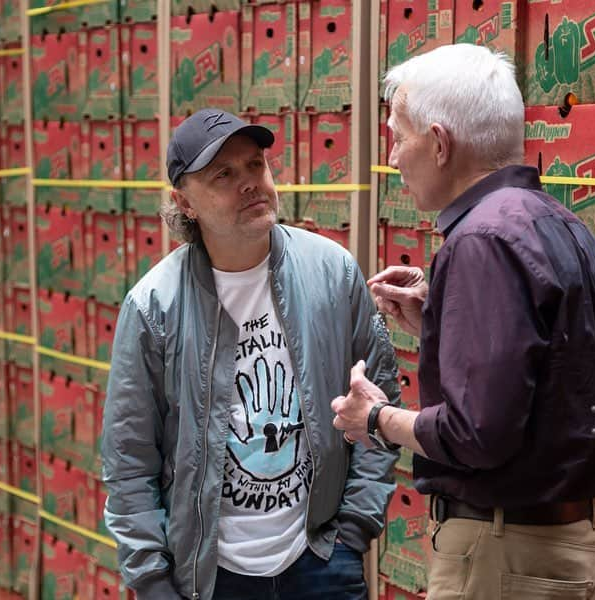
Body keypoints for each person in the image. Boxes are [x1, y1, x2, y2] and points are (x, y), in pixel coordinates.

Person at [331, 44, 595, 599]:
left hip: (507, 558)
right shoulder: (559, 222)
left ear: (439, 143)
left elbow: (476, 434)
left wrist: (376, 418)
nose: (391, 157)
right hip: (569, 542)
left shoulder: (482, 240)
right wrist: (438, 321)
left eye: (398, 136)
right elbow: (555, 369)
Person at [101, 108, 401, 600]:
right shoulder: (155, 306)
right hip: (212, 577)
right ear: (185, 203)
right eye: (224, 174)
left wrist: (353, 530)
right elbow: (129, 458)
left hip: (321, 558)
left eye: (256, 165)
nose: (250, 183)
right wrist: (153, 582)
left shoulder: (332, 273)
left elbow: (378, 398)